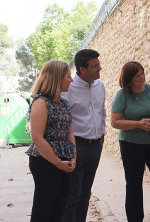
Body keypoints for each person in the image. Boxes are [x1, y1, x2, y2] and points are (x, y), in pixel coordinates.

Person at [111, 61, 150, 222]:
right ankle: (135, 218)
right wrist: (138, 124)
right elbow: (115, 122)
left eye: (142, 73)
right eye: (136, 75)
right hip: (131, 144)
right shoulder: (122, 95)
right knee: (134, 182)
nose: (141, 77)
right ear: (128, 78)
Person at [26, 60, 76, 222]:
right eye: (68, 76)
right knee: (44, 210)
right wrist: (57, 162)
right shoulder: (41, 102)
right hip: (46, 161)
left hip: (64, 161)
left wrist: (73, 156)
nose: (72, 80)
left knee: (59, 209)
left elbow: (70, 132)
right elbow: (37, 138)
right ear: (57, 78)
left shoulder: (63, 103)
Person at [61, 49, 106, 222]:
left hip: (95, 145)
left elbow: (102, 112)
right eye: (95, 66)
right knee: (73, 194)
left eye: (98, 65)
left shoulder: (99, 86)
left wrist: (102, 135)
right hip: (76, 145)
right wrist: (70, 146)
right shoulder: (68, 88)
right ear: (82, 70)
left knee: (85, 192)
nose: (99, 69)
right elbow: (65, 119)